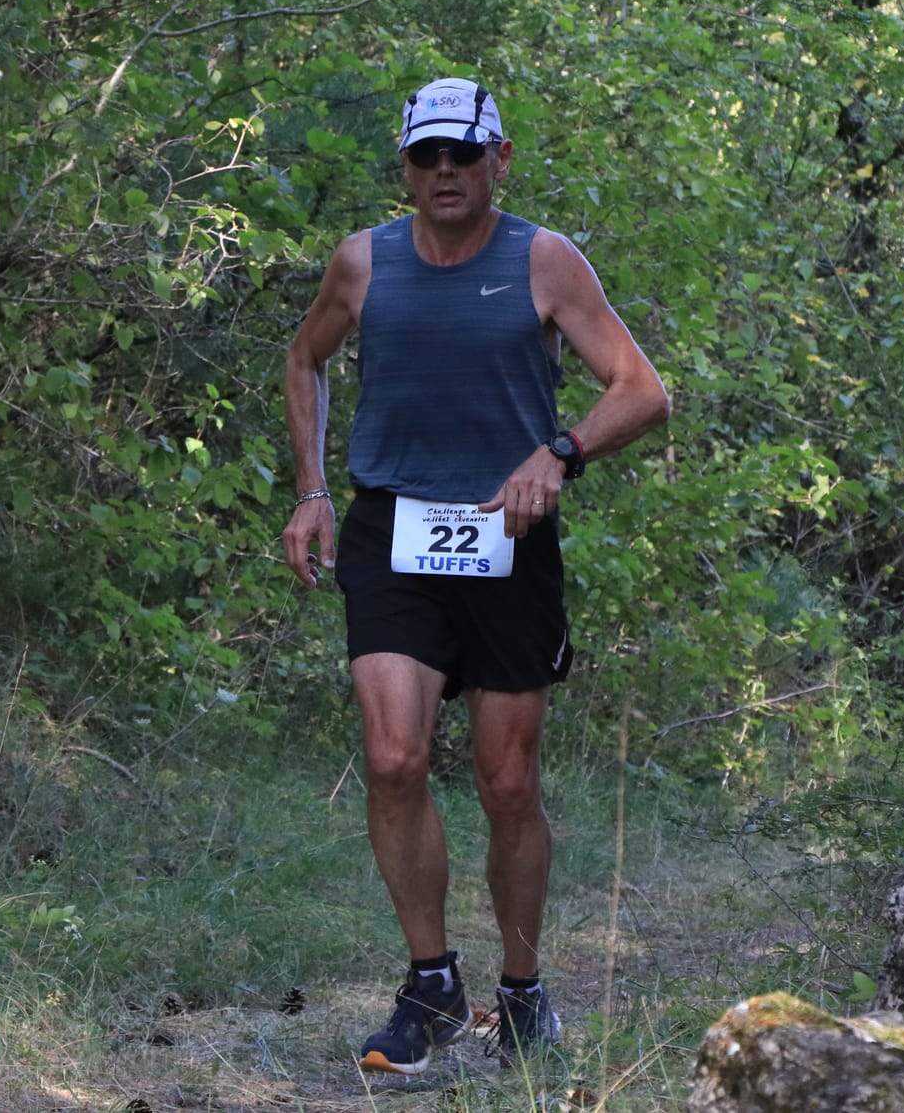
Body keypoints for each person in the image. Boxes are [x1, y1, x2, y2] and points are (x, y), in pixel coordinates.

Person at [281, 78, 670, 1075]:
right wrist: (312, 488)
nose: (444, 172)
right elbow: (305, 361)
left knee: (506, 782)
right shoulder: (362, 263)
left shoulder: (541, 259)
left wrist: (561, 453)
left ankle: (523, 992)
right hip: (392, 525)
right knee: (393, 759)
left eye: (464, 154)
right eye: (426, 157)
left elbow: (640, 389)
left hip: (507, 535)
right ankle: (431, 984)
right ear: (405, 165)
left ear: (500, 159)